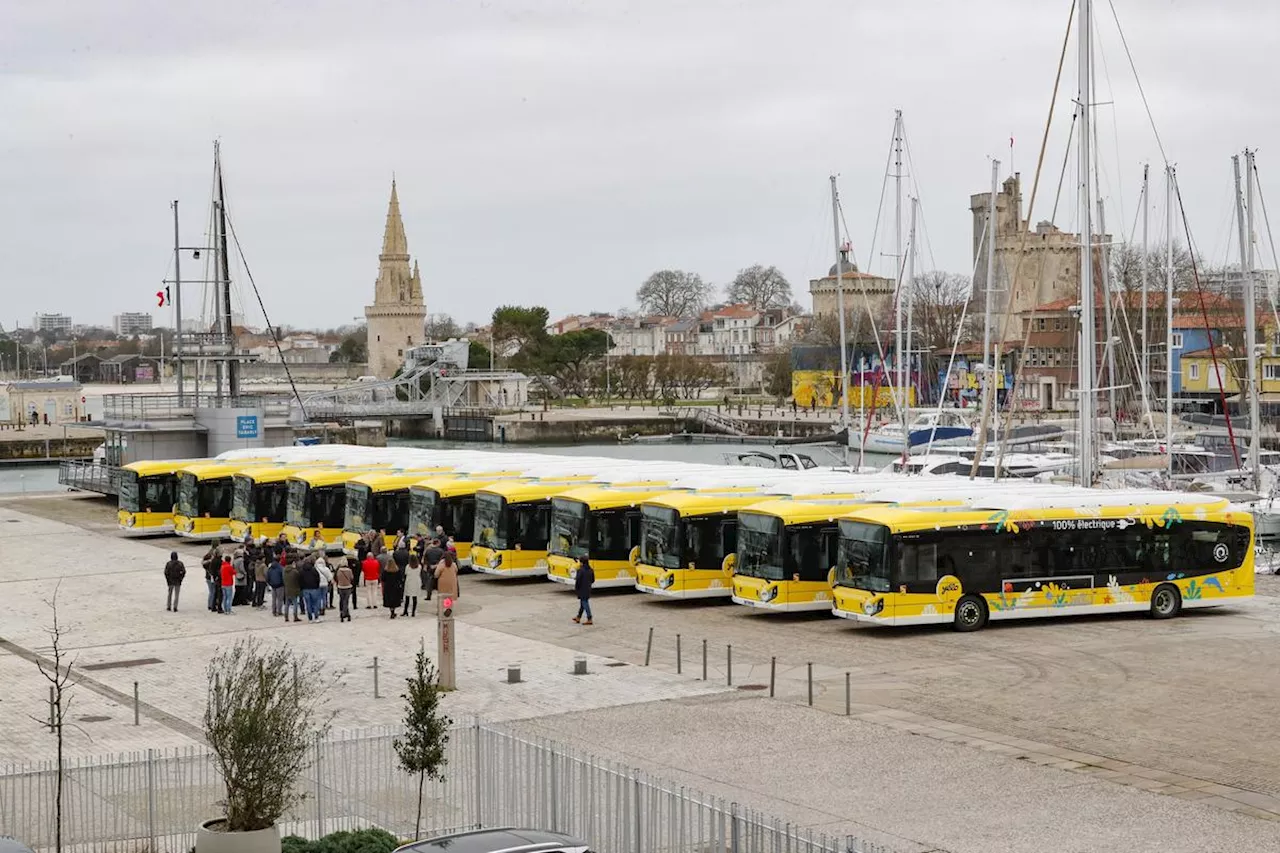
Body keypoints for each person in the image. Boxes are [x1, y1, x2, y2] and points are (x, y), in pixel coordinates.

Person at [381, 548, 405, 618]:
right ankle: (393, 610)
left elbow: (383, 579)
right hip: (395, 586)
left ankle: (391, 611)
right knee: (394, 599)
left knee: (389, 599)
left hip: (388, 586)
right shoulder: (397, 570)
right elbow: (400, 579)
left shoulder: (386, 571)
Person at [572, 555, 595, 626]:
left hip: (582, 589)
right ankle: (578, 617)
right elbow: (593, 580)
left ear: (582, 562)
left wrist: (576, 588)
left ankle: (589, 618)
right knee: (583, 603)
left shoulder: (580, 570)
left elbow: (578, 581)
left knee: (584, 603)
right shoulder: (591, 570)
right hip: (588, 588)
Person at [299, 556, 322, 622]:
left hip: (305, 589)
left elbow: (300, 580)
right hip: (314, 588)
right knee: (315, 603)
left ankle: (310, 618)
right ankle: (316, 617)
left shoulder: (301, 571)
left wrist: (302, 587)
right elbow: (318, 578)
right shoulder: (314, 570)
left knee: (308, 604)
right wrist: (317, 586)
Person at [203, 543, 222, 612]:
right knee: (213, 591)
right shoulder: (212, 560)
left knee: (212, 591)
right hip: (211, 577)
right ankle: (211, 605)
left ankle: (211, 604)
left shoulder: (208, 557)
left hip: (209, 577)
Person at [283, 558, 302, 622]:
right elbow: (298, 580)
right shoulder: (295, 571)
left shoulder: (284, 570)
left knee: (287, 604)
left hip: (287, 589)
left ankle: (286, 616)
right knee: (295, 603)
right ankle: (295, 616)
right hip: (294, 589)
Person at [267, 552, 285, 616]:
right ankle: (279, 611)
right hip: (280, 585)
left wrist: (269, 583)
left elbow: (268, 576)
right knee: (280, 599)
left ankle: (274, 611)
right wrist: (283, 583)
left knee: (274, 599)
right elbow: (283, 576)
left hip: (273, 584)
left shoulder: (270, 567)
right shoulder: (281, 568)